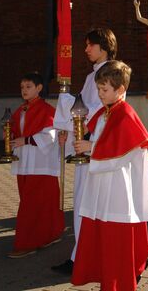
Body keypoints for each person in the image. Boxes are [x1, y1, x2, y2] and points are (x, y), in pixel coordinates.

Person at [70, 61, 148, 290]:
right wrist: (87, 144)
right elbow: (101, 139)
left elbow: (121, 153)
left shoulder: (125, 114)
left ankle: (118, 284)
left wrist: (90, 147)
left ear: (120, 90)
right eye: (98, 89)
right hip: (102, 184)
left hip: (118, 187)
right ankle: (107, 280)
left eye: (104, 90)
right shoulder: (107, 112)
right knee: (102, 237)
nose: (99, 94)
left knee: (115, 239)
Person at [51, 28, 116, 275]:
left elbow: (98, 110)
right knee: (83, 203)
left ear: (105, 46)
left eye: (91, 45)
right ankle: (82, 253)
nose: (86, 49)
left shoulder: (110, 72)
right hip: (85, 144)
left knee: (90, 204)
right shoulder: (93, 76)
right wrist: (69, 126)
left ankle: (85, 257)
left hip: (96, 147)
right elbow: (84, 109)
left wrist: (68, 107)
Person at [7, 73, 64, 258]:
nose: (24, 90)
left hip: (40, 165)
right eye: (22, 87)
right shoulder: (20, 110)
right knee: (36, 203)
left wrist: (26, 140)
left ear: (39, 88)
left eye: (28, 86)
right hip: (24, 163)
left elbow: (50, 135)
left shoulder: (47, 110)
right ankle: (50, 233)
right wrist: (9, 136)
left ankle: (27, 242)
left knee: (31, 206)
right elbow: (15, 131)